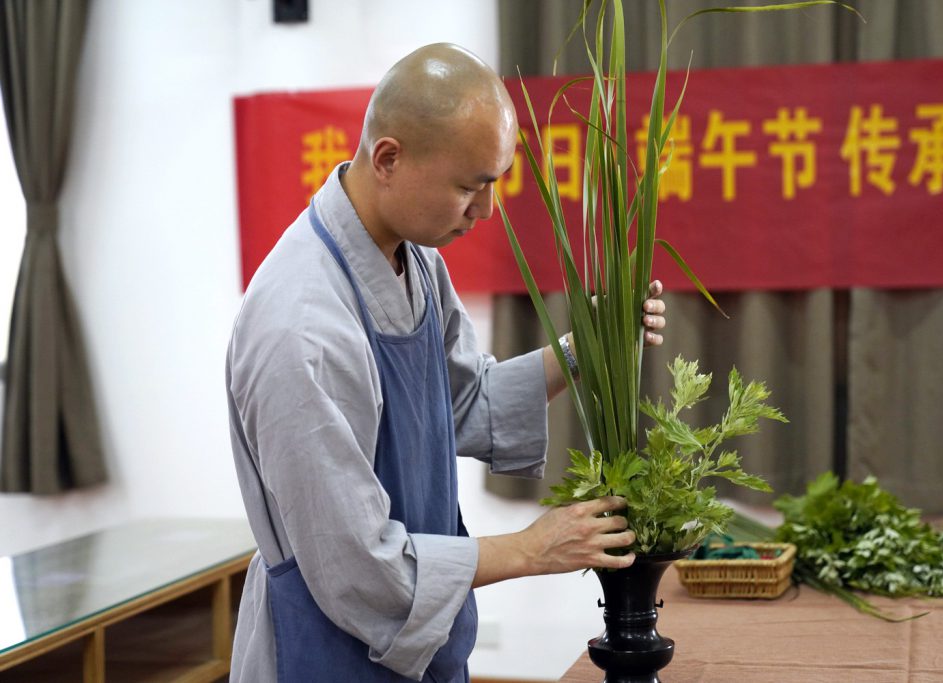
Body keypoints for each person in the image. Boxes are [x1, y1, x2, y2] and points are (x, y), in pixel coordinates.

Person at [226, 43, 668, 682]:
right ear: (388, 159)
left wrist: (585, 349)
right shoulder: (302, 328)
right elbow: (358, 567)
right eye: (470, 187)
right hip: (329, 650)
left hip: (420, 641)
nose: (485, 212)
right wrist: (529, 549)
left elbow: (462, 401)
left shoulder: (413, 259)